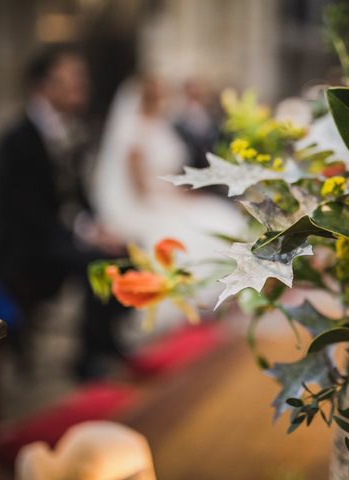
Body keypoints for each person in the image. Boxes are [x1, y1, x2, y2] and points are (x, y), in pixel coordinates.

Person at [0, 45, 125, 378]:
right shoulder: (16, 140)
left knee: (123, 251)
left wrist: (97, 226)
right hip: (22, 243)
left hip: (56, 233)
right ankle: (87, 361)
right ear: (42, 86)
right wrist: (84, 233)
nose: (81, 86)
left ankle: (105, 340)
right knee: (97, 262)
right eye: (71, 79)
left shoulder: (71, 129)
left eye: (81, 78)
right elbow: (22, 213)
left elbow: (77, 195)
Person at [93, 74, 245, 322]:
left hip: (172, 194)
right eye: (159, 93)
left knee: (223, 214)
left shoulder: (162, 124)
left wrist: (186, 193)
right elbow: (142, 188)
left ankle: (225, 297)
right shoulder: (134, 132)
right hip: (149, 203)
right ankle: (196, 304)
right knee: (208, 226)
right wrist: (178, 196)